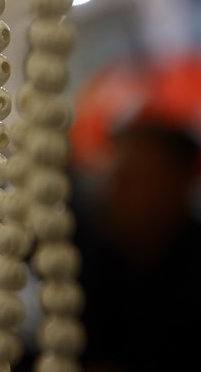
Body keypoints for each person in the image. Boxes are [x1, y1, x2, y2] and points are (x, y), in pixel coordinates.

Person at [73, 118, 201, 372]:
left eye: (136, 176)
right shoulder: (90, 257)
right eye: (114, 173)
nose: (116, 187)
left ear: (179, 183)